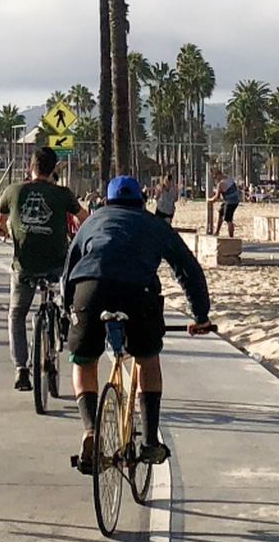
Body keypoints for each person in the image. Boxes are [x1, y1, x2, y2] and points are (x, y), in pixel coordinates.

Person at [63, 175, 215, 472]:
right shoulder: (154, 224)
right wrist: (200, 316)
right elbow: (188, 269)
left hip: (88, 289)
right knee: (147, 358)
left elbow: (69, 269)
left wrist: (69, 312)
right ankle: (148, 442)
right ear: (141, 201)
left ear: (107, 201)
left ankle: (91, 431)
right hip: (137, 292)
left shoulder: (92, 222)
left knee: (83, 361)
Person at [0, 148, 82, 392]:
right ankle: (63, 321)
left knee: (17, 314)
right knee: (66, 296)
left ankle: (21, 369)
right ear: (54, 169)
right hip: (56, 266)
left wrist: (1, 230)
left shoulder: (13, 191)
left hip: (24, 267)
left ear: (29, 167)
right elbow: (84, 218)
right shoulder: (62, 193)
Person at [215, 171, 241, 237]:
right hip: (234, 200)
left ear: (219, 175)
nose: (216, 179)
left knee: (229, 220)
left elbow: (217, 197)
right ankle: (217, 232)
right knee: (221, 212)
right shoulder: (229, 178)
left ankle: (231, 237)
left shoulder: (221, 184)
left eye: (216, 177)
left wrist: (209, 200)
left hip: (230, 202)